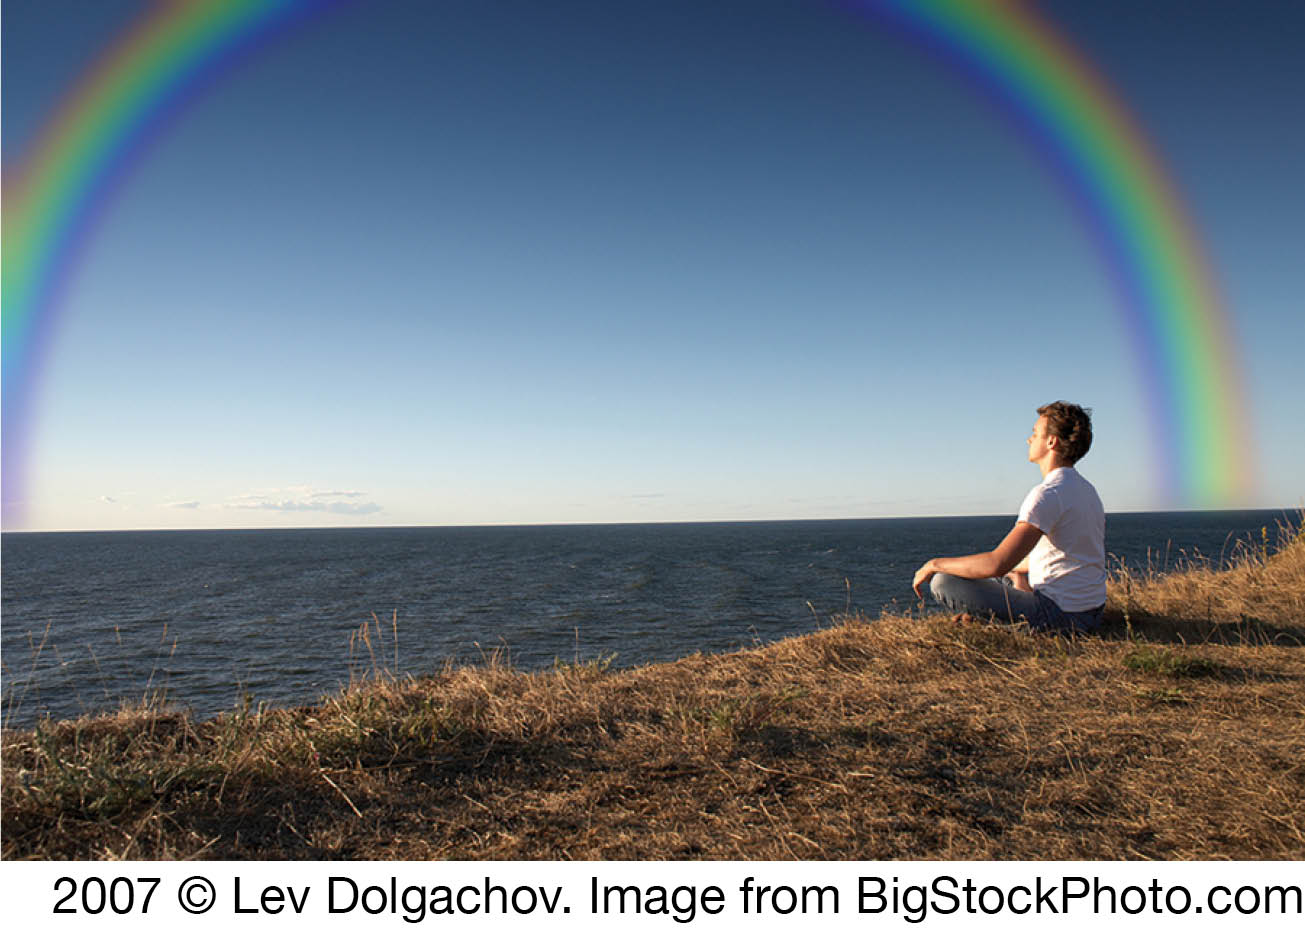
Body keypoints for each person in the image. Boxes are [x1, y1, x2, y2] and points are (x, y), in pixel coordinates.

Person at [911, 401, 1106, 632]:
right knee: (999, 578)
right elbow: (1062, 556)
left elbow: (997, 563)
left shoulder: (1048, 494)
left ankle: (1005, 626)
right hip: (1091, 612)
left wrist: (934, 564)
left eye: (1035, 433)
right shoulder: (1086, 490)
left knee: (945, 581)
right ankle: (1003, 611)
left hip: (1060, 616)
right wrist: (1018, 574)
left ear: (1051, 441)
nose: (1029, 439)